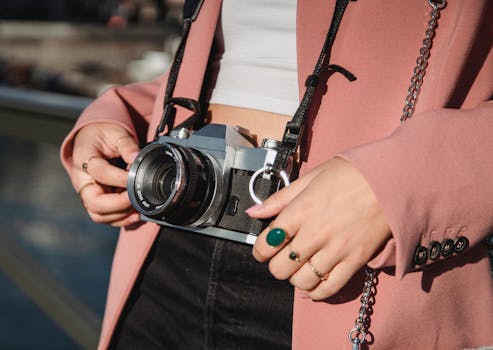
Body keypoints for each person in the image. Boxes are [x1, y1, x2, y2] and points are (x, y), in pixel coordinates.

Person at [60, 0, 493, 349]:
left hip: (346, 265)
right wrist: (124, 113)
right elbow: (233, 66)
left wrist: (404, 181)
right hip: (168, 240)